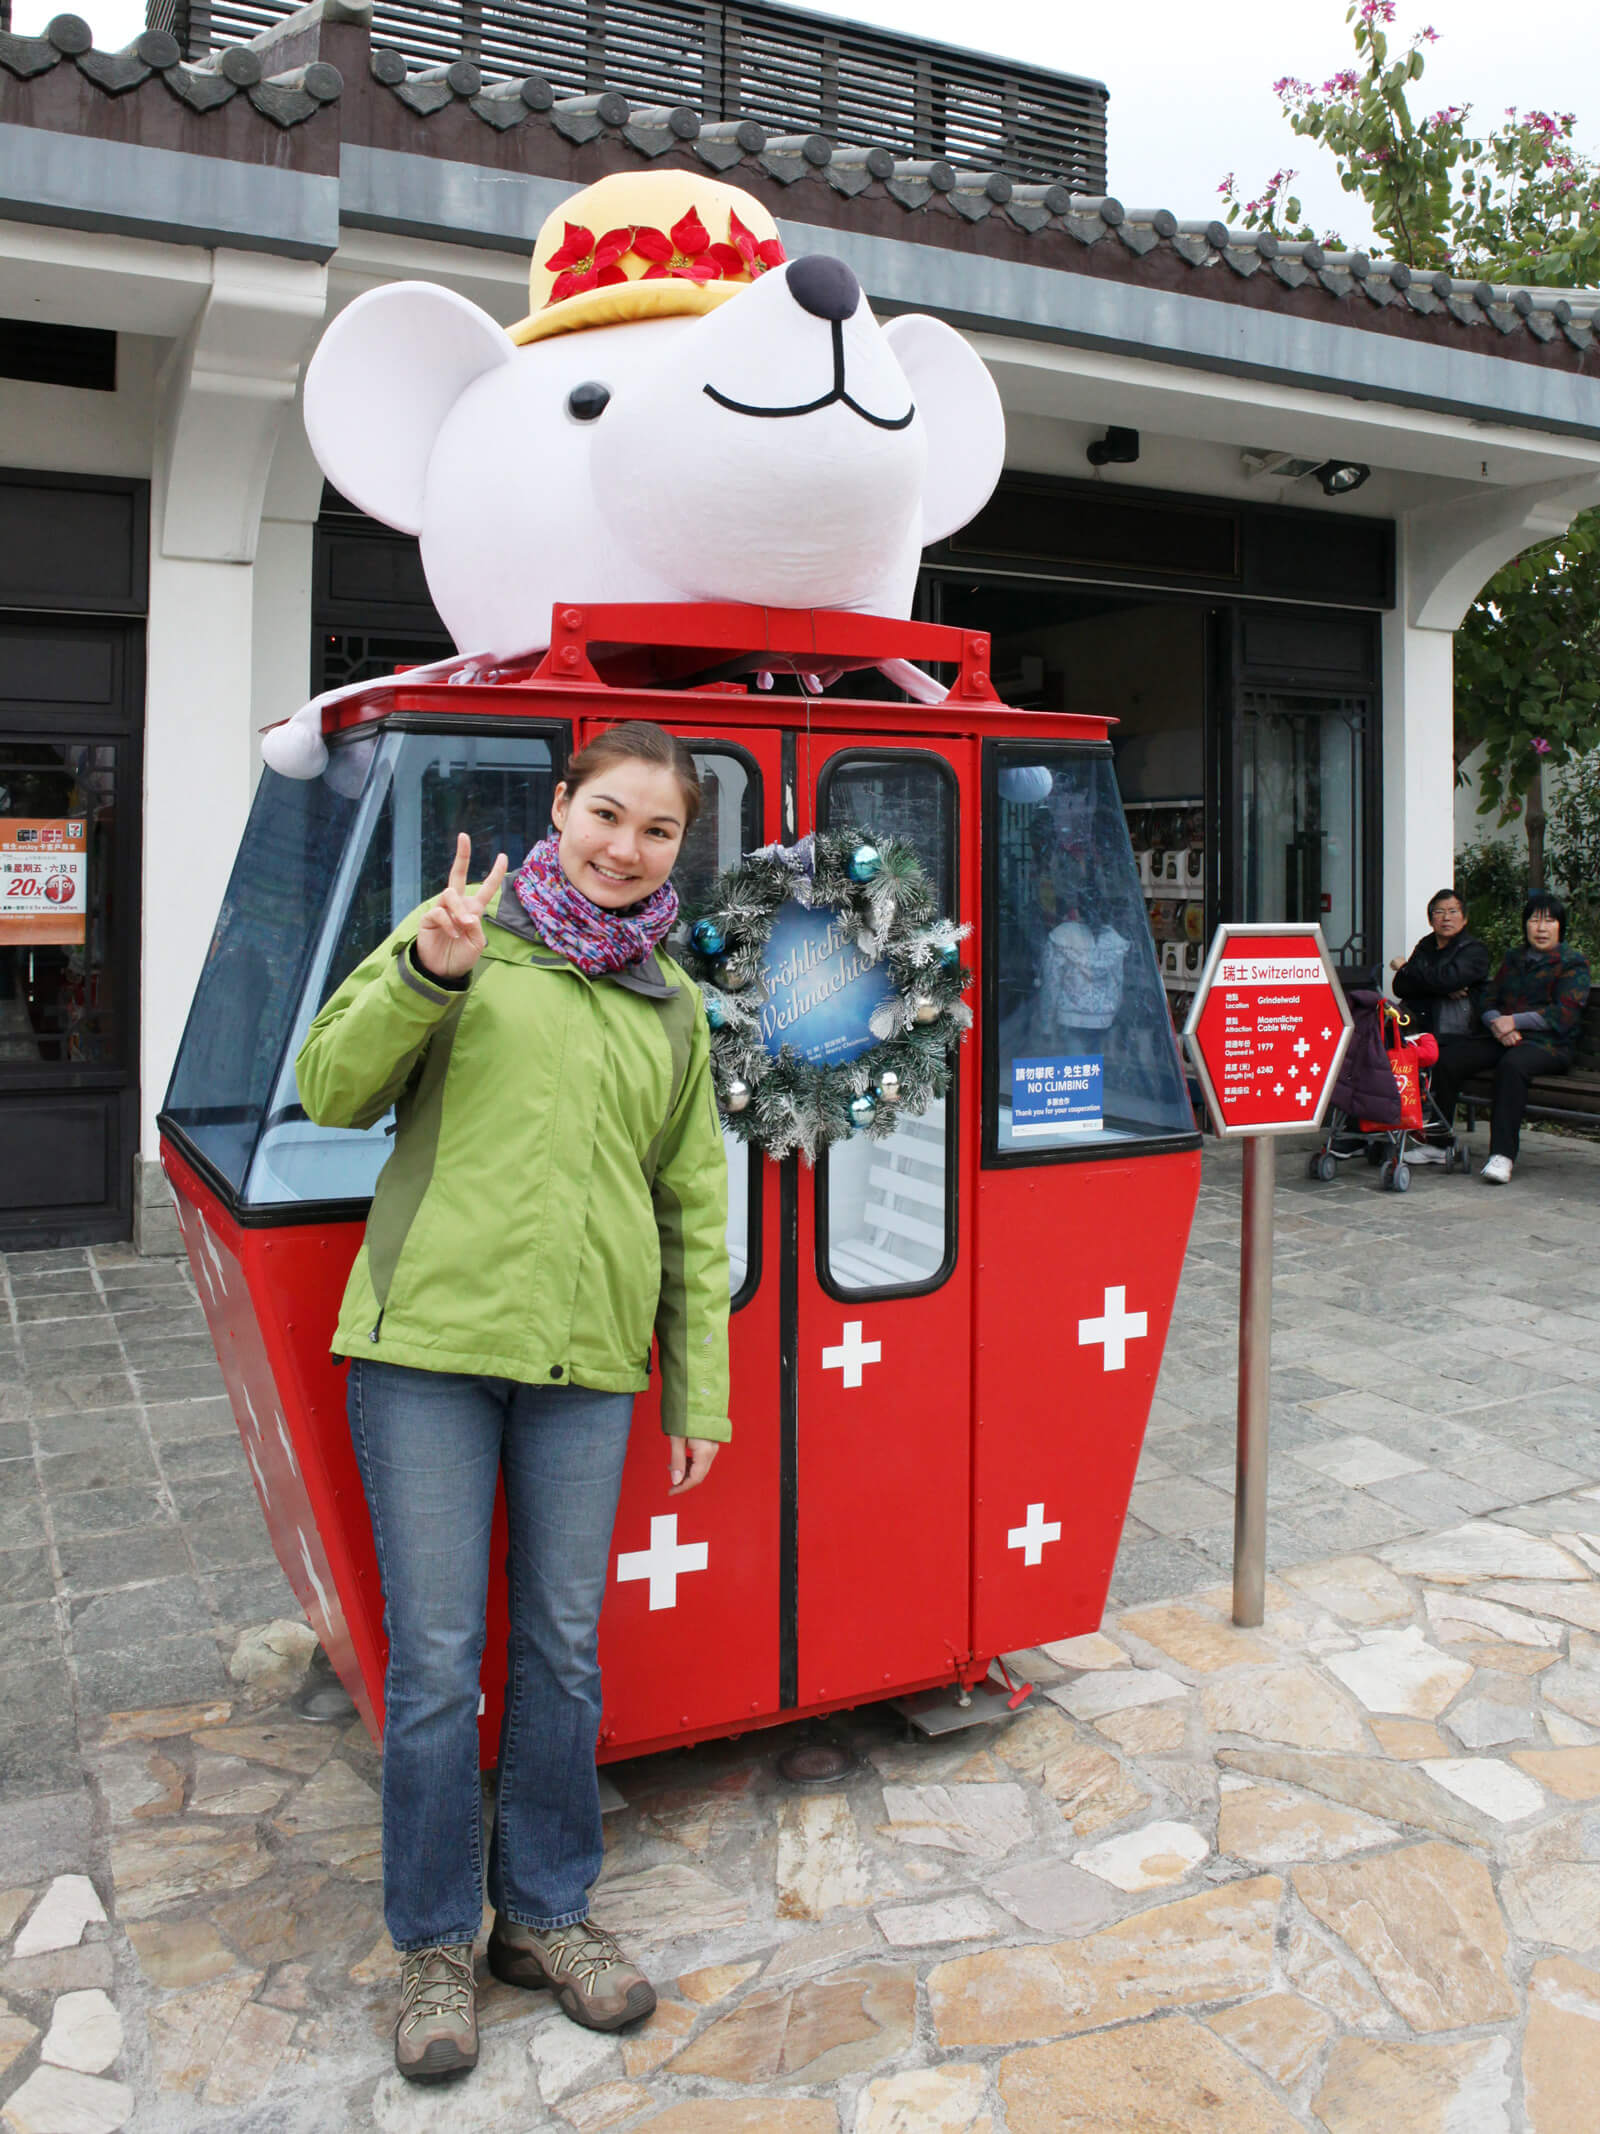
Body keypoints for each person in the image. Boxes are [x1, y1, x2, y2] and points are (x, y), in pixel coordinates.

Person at [296, 722, 730, 2085]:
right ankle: (433, 1938)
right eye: (608, 814)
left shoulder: (673, 1006)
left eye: (657, 830)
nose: (625, 847)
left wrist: (695, 1386)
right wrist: (428, 974)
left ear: (679, 846)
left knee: (560, 1649)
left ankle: (541, 1913)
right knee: (434, 1661)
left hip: (587, 1369)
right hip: (424, 1350)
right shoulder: (461, 934)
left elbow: (691, 1208)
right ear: (562, 806)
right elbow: (328, 1082)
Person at [1426, 890, 1591, 1184]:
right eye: (1534, 921)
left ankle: (1502, 1156)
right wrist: (1498, 1025)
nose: (1540, 929)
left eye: (1549, 921)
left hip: (1550, 1045)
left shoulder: (1572, 963)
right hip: (1503, 1038)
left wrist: (1512, 1021)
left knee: (1513, 1066)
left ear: (1560, 926)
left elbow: (1562, 1015)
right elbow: (1488, 1000)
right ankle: (1438, 1144)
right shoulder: (1514, 958)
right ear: (1525, 925)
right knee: (1449, 1058)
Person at [1388, 886, 1491, 1164]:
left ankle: (1439, 1141)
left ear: (1464, 918)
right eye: (1439, 912)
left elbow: (1436, 978)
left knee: (1442, 1062)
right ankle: (1365, 1133)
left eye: (1453, 911)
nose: (1446, 917)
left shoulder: (1475, 951)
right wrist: (1440, 986)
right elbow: (1401, 986)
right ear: (1431, 918)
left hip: (1454, 1034)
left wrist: (1406, 967)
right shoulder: (1426, 944)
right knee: (1377, 1049)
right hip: (1420, 1028)